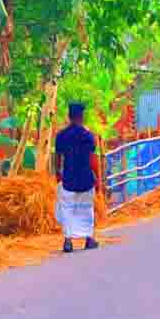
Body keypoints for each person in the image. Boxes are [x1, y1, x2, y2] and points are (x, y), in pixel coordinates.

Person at [54, 102, 102, 253]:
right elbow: (92, 159)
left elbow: (58, 157)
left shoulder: (61, 135)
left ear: (69, 116)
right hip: (85, 178)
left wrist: (57, 172)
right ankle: (89, 239)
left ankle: (68, 241)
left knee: (67, 209)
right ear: (81, 117)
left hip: (68, 177)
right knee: (86, 209)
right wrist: (98, 178)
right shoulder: (88, 136)